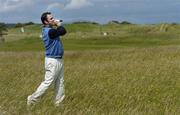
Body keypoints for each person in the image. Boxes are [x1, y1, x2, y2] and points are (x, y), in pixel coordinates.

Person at [27, 12, 67, 106]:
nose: (53, 19)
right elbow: (63, 31)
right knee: (48, 82)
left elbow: (60, 31)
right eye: (51, 19)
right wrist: (59, 24)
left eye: (53, 18)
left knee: (60, 82)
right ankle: (32, 99)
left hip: (58, 59)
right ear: (45, 21)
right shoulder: (49, 31)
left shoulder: (50, 30)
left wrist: (56, 25)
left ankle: (59, 103)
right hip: (52, 61)